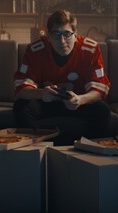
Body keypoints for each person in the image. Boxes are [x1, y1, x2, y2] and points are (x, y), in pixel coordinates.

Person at [13, 9, 111, 145]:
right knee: (21, 107)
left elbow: (101, 91)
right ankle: (34, 151)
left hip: (76, 103)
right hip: (46, 102)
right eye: (56, 34)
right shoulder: (36, 49)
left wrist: (80, 99)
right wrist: (42, 94)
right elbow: (20, 89)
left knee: (103, 110)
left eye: (67, 34)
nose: (62, 40)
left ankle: (90, 152)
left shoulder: (90, 49)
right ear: (48, 36)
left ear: (75, 34)